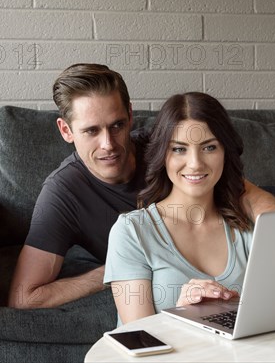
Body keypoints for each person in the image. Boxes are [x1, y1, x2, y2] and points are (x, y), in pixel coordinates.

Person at [8, 65, 275, 309]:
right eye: (91, 131)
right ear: (66, 130)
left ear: (130, 114)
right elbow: (24, 296)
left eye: (117, 125)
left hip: (261, 209)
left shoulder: (168, 146)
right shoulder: (62, 194)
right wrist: (120, 268)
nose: (108, 144)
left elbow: (239, 188)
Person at [104, 92, 253, 324]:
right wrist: (183, 313)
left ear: (226, 152)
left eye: (209, 147)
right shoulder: (132, 231)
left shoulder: (249, 228)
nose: (195, 163)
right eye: (179, 149)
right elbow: (138, 338)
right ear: (163, 155)